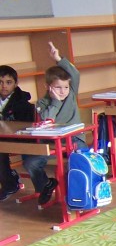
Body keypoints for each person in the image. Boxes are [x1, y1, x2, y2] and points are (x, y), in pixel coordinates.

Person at [28, 42, 85, 205]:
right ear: (47, 87)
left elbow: (75, 74)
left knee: (75, 164)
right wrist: (55, 101)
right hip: (52, 144)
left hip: (74, 140)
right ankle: (46, 185)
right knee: (31, 163)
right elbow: (48, 119)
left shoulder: (71, 94)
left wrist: (58, 58)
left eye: (65, 87)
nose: (63, 91)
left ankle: (74, 197)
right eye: (58, 87)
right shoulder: (42, 103)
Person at [0, 65, 35, 201]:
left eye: (8, 82)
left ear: (15, 84)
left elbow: (26, 125)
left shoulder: (22, 102)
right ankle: (10, 180)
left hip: (19, 138)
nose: (4, 86)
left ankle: (10, 184)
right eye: (0, 82)